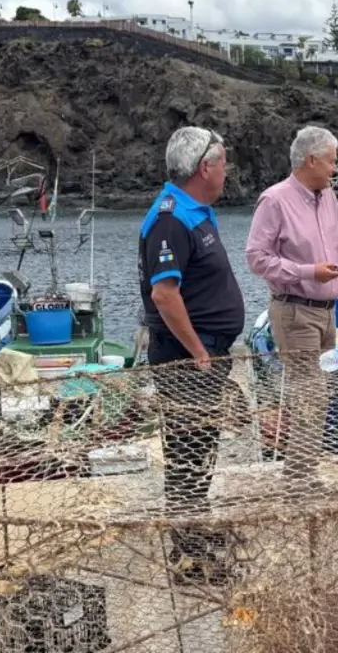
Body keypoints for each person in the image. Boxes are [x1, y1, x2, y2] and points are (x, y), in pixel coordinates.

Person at [139, 125, 247, 586]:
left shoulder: (195, 210)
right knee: (186, 453)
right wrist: (200, 353)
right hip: (187, 359)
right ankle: (188, 560)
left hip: (205, 355)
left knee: (201, 450)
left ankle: (196, 535)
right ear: (205, 167)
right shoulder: (170, 218)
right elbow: (164, 294)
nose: (227, 171)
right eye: (223, 162)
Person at [244, 125, 338, 477]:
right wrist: (308, 272)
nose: (336, 170)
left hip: (328, 313)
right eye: (332, 162)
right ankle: (300, 478)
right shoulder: (275, 200)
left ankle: (301, 472)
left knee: (316, 396)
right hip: (295, 312)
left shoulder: (328, 201)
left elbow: (330, 248)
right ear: (312, 160)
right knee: (310, 396)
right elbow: (256, 258)